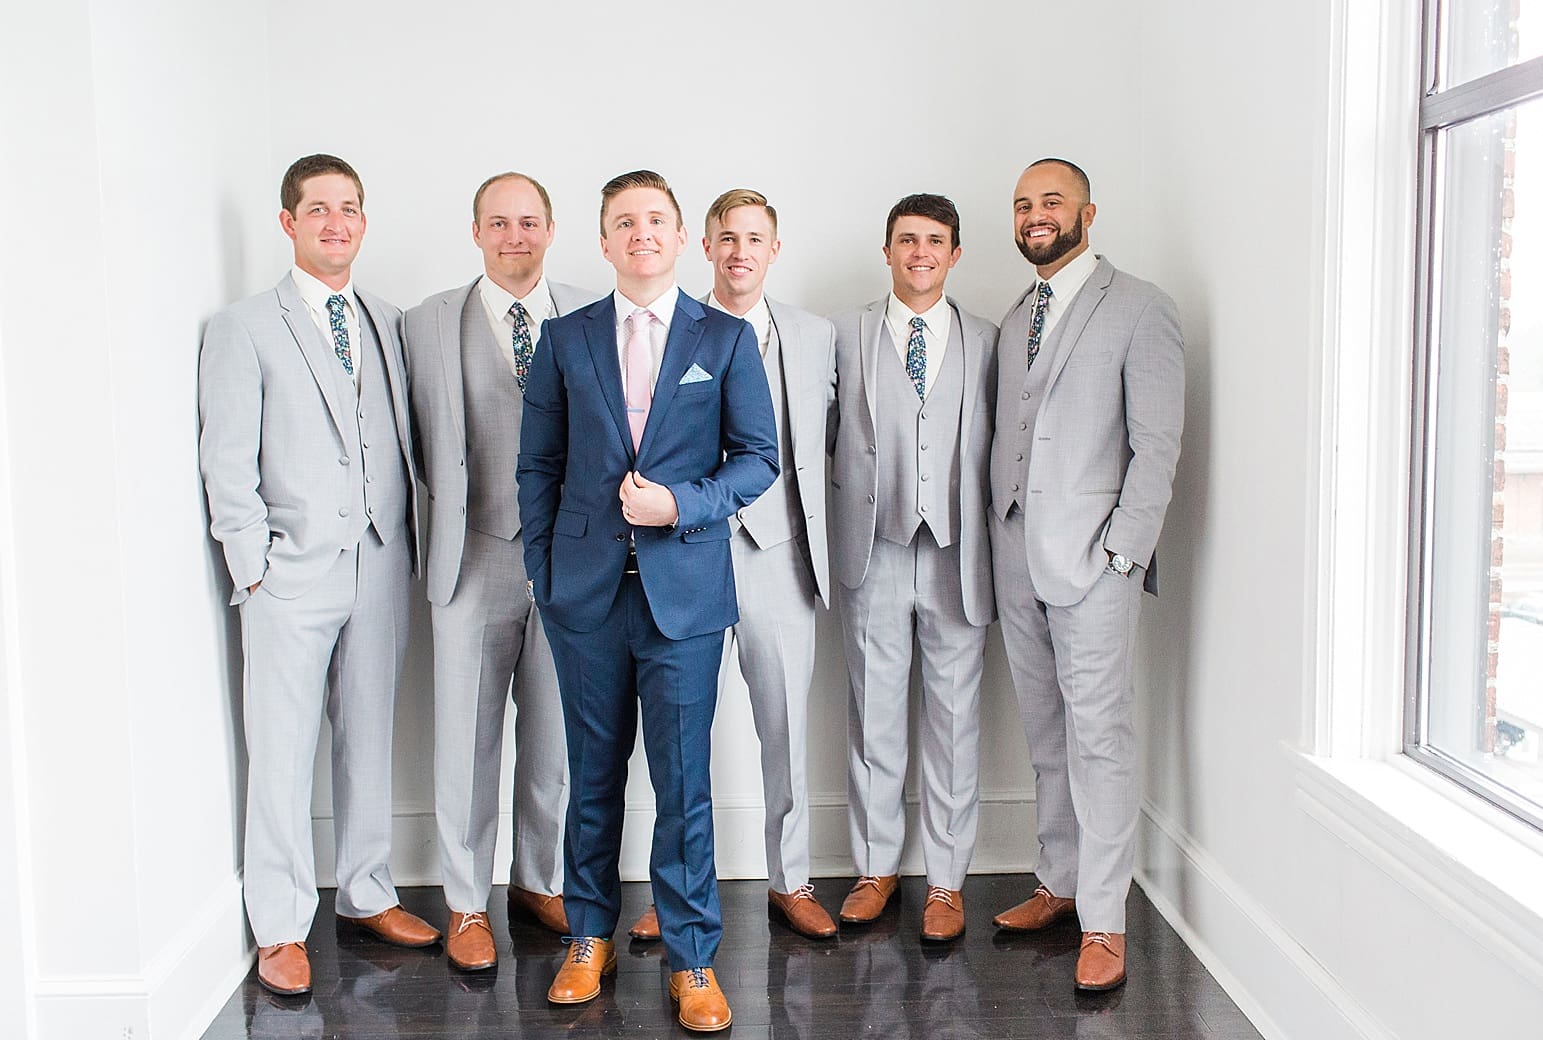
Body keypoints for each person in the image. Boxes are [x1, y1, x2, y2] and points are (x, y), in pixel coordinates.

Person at [516, 169, 778, 1032]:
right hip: (583, 600)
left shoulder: (726, 338)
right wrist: (546, 577)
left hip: (686, 600)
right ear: (603, 240)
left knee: (683, 785)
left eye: (656, 220)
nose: (642, 234)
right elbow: (538, 468)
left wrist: (681, 505)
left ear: (679, 237)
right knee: (589, 781)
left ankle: (694, 961)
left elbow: (756, 458)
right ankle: (586, 939)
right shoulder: (565, 338)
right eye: (624, 222)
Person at [198, 154, 439, 996]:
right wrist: (253, 567)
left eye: (349, 209)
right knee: (282, 749)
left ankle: (366, 892)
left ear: (363, 223)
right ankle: (279, 924)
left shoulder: (387, 318)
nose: (336, 222)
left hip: (381, 563)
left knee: (368, 737)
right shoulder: (243, 326)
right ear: (288, 223)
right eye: (318, 209)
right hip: (289, 576)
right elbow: (226, 460)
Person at [987, 158, 1185, 991]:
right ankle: (1059, 882)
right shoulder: (1012, 317)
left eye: (1052, 201)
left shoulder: (1140, 307)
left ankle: (1105, 918)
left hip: (1094, 563)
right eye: (1024, 204)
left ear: (1087, 212)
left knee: (1099, 737)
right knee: (1044, 732)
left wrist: (1121, 556)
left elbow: (1158, 445)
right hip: (1013, 557)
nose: (1037, 215)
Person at [627, 188, 838, 944]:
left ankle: (793, 878)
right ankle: (677, 891)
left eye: (755, 237)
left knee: (785, 728)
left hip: (779, 556)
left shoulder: (816, 337)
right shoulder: (671, 330)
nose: (740, 250)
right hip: (684, 555)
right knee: (678, 735)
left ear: (773, 250)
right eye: (727, 238)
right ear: (705, 248)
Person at [403, 172, 599, 971]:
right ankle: (463, 902)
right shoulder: (426, 322)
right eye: (499, 222)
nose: (514, 235)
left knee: (555, 738)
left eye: (528, 221)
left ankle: (537, 880)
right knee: (467, 737)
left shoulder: (590, 314)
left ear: (551, 230)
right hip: (471, 553)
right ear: (476, 231)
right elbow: (411, 440)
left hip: (568, 559)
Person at [827, 193, 998, 943]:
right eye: (906, 240)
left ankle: (947, 881)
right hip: (875, 549)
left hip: (960, 555)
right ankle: (874, 867)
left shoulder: (989, 341)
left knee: (955, 721)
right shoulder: (844, 335)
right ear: (888, 250)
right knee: (874, 718)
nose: (920, 252)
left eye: (934, 241)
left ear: (954, 253)